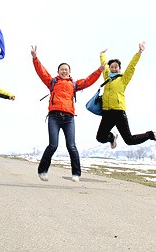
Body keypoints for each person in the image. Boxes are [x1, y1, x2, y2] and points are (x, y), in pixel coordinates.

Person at [31, 45, 106, 182]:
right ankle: (42, 171)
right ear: (58, 71)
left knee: (71, 146)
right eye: (62, 69)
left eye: (66, 69)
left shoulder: (74, 84)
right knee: (53, 145)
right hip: (54, 117)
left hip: (69, 118)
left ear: (70, 72)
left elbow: (88, 81)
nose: (64, 71)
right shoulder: (52, 82)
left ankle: (76, 173)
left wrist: (99, 70)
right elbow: (42, 72)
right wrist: (35, 58)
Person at [96, 41, 156, 150]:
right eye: (112, 67)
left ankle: (152, 135)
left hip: (118, 112)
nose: (114, 69)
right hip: (107, 113)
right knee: (100, 137)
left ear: (119, 68)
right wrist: (102, 54)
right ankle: (112, 137)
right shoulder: (107, 77)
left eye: (116, 67)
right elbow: (104, 65)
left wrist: (139, 52)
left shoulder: (123, 78)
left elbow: (131, 66)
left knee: (129, 140)